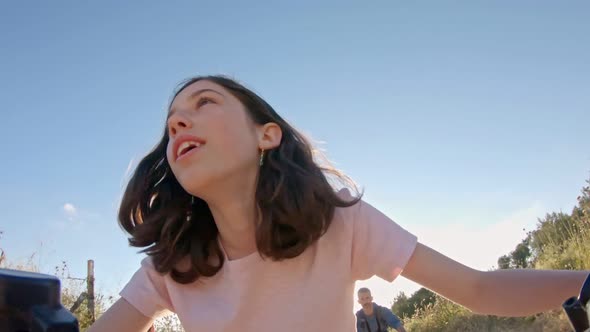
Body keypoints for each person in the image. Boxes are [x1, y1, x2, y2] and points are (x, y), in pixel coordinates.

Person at [88, 75, 588, 332]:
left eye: (204, 103)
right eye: (172, 118)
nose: (178, 122)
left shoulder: (337, 222)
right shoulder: (169, 264)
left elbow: (479, 289)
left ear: (266, 135)